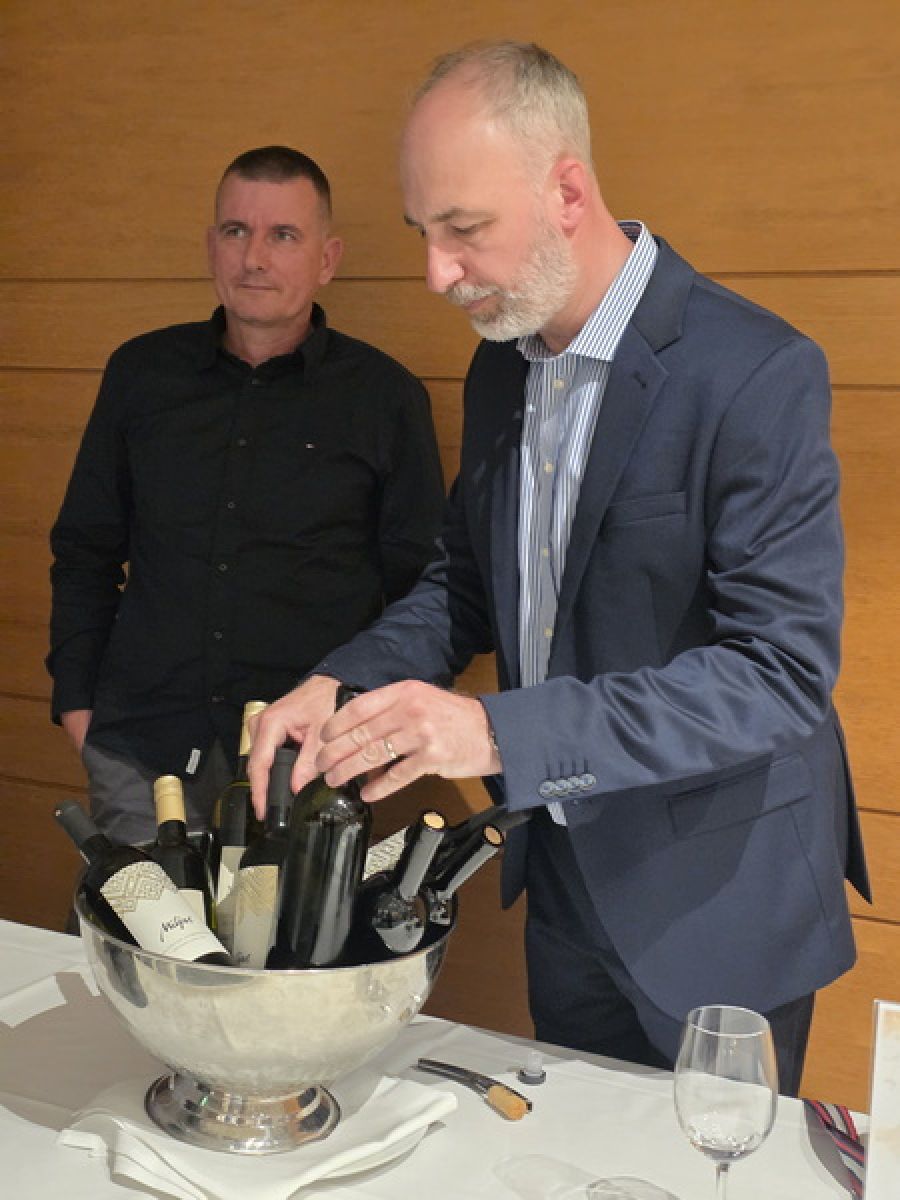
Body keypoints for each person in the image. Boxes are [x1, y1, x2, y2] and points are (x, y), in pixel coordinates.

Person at [248, 45, 870, 1095]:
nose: (437, 273)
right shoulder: (501, 365)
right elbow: (465, 583)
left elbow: (777, 675)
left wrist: (495, 733)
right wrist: (342, 682)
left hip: (721, 901)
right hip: (567, 883)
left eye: (464, 229)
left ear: (568, 193)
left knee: (709, 1163)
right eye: (423, 232)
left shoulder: (756, 370)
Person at [48, 145, 445, 846]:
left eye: (283, 235)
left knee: (286, 926)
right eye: (236, 231)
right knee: (137, 921)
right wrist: (78, 704)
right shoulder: (141, 375)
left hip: (308, 764)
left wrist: (361, 736)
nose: (254, 258)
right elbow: (85, 551)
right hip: (141, 751)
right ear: (212, 247)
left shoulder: (386, 400)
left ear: (327, 260)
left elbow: (422, 592)